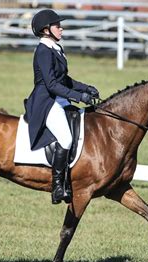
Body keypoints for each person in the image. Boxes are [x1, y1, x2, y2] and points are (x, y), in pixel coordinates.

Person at [24, 9, 100, 205]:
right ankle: (58, 187)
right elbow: (51, 84)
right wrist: (78, 97)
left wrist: (86, 88)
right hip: (46, 101)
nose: (62, 29)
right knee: (65, 138)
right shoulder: (43, 50)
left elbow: (64, 79)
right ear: (46, 30)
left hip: (58, 99)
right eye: (58, 26)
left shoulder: (55, 49)